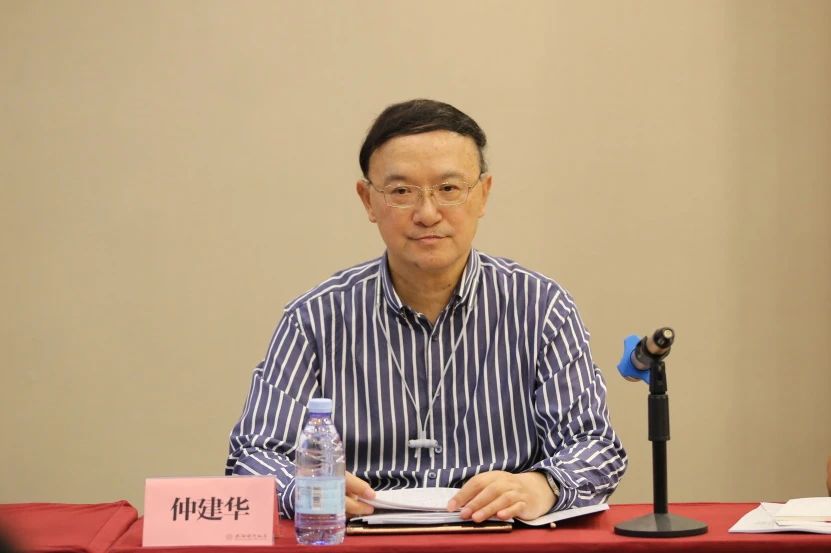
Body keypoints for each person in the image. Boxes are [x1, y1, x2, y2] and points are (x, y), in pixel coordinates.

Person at [225, 99, 627, 522]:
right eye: (401, 192)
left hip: (498, 533)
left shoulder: (540, 308)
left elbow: (594, 445)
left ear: (483, 194)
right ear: (368, 200)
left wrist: (543, 485)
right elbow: (254, 453)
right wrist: (306, 489)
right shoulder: (315, 319)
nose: (427, 213)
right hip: (363, 536)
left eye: (449, 189)